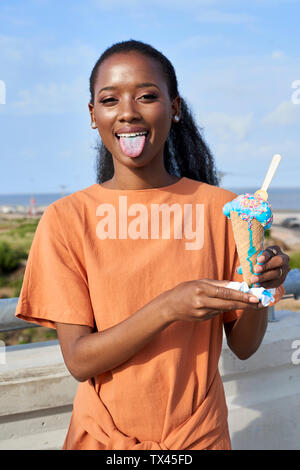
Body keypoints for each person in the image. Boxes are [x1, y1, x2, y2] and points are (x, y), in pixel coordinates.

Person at [15, 39, 290, 450]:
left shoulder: (226, 211)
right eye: (110, 99)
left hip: (199, 440)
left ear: (174, 108)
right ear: (93, 115)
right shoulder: (66, 219)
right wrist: (168, 308)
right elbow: (79, 360)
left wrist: (263, 287)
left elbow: (245, 346)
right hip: (104, 442)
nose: (128, 111)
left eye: (147, 96)